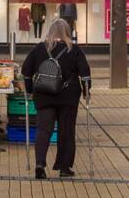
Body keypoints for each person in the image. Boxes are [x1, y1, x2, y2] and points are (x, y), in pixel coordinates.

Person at [21, 17, 91, 180]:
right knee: (66, 131)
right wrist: (87, 93)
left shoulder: (39, 49)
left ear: (50, 32)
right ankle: (64, 167)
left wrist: (30, 90)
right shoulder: (74, 50)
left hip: (44, 96)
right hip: (68, 98)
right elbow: (85, 75)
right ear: (67, 32)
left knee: (43, 130)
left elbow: (26, 72)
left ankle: (40, 165)